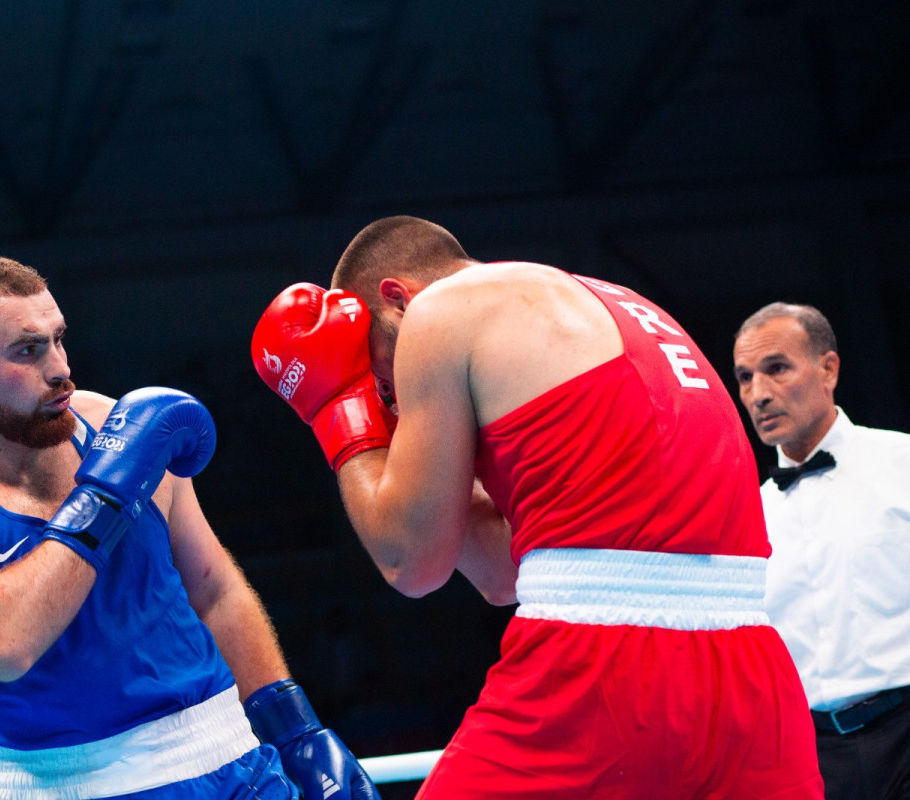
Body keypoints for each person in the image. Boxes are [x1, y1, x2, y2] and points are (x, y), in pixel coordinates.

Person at [251, 215, 824, 798]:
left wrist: (341, 409)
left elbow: (410, 562)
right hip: (753, 677)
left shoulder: (438, 312)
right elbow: (505, 574)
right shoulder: (611, 303)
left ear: (397, 299)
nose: (392, 395)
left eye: (382, 376)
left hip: (603, 665)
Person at [0, 254, 379, 800]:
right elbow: (0, 645)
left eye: (59, 339)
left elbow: (214, 588)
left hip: (235, 765)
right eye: (27, 351)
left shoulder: (111, 424)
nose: (59, 367)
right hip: (72, 785)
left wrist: (295, 729)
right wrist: (103, 496)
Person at [733, 302, 910, 800]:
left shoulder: (903, 464)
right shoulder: (747, 516)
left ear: (828, 368)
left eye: (776, 369)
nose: (758, 394)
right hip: (811, 754)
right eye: (745, 378)